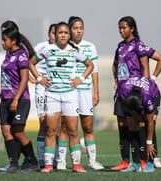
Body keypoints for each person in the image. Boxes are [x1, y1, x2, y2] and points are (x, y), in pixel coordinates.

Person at [29, 21, 94, 173]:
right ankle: (48, 165)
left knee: (72, 130)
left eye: (65, 33)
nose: (63, 35)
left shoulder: (74, 51)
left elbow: (90, 65)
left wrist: (81, 79)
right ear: (55, 34)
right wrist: (39, 78)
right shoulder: (47, 49)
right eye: (60, 32)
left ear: (68, 35)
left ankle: (76, 164)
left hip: (70, 95)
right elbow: (31, 63)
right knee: (51, 130)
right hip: (51, 96)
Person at [111, 16, 161, 171]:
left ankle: (150, 159)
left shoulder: (138, 45)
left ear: (132, 29)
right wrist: (117, 81)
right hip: (123, 92)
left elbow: (157, 61)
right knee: (128, 125)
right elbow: (115, 65)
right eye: (119, 28)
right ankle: (133, 162)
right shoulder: (120, 46)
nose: (121, 31)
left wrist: (150, 80)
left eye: (124, 28)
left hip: (138, 92)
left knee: (146, 123)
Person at [56, 16, 104, 171]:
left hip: (85, 91)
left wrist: (96, 91)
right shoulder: (64, 46)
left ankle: (92, 161)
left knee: (88, 127)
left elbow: (94, 69)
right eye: (75, 28)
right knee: (65, 127)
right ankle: (61, 162)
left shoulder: (90, 47)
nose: (78, 31)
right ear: (70, 30)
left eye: (81, 28)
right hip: (68, 91)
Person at [0, 27, 39, 173]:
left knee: (18, 132)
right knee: (6, 130)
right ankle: (13, 164)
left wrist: (16, 99)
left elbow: (24, 79)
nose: (2, 43)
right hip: (5, 98)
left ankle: (33, 162)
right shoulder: (8, 54)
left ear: (13, 41)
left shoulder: (21, 55)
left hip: (20, 99)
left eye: (5, 40)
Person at [116, 76, 158, 173]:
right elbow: (121, 103)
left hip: (154, 94)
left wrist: (149, 143)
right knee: (133, 125)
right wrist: (134, 114)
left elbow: (150, 121)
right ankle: (136, 163)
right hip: (132, 99)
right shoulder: (122, 91)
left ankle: (150, 163)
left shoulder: (147, 97)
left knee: (148, 124)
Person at [30, 23, 56, 168]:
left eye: (57, 33)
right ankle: (41, 158)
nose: (55, 35)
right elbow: (28, 62)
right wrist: (36, 78)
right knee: (44, 123)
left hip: (57, 89)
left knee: (56, 125)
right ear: (49, 34)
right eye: (53, 33)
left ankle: (56, 158)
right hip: (42, 89)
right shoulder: (40, 47)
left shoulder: (63, 49)